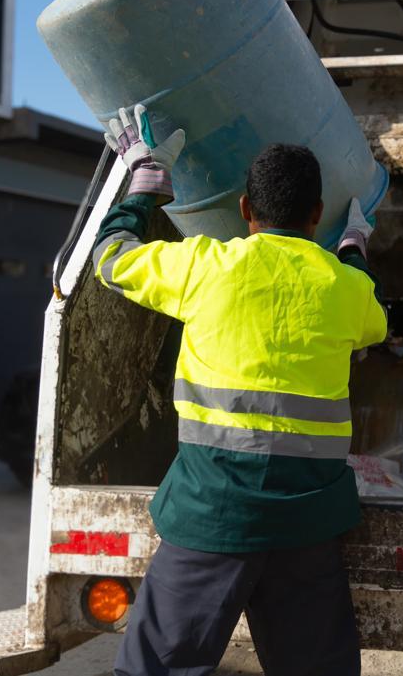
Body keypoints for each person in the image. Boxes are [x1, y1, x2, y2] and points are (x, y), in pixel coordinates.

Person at [94, 105, 387, 676]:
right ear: (318, 214)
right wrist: (353, 246)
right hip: (307, 521)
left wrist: (144, 191)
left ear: (246, 209)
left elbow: (111, 260)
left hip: (213, 513)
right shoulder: (344, 288)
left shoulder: (206, 268)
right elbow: (372, 314)